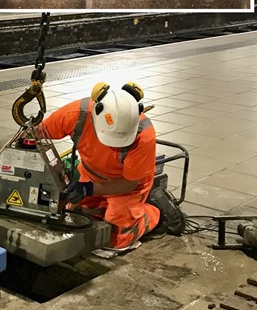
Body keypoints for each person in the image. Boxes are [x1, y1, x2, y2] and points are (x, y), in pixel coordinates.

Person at [37, 81, 184, 250]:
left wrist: (88, 189)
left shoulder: (144, 135)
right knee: (78, 220)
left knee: (116, 238)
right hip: (92, 176)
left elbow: (129, 183)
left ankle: (155, 210)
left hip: (128, 185)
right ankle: (110, 208)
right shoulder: (76, 114)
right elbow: (35, 133)